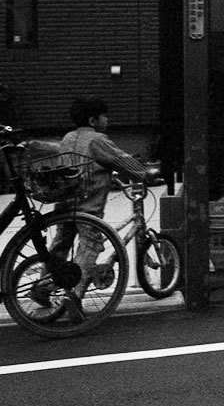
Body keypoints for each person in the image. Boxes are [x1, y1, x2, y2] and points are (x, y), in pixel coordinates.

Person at [39, 98, 156, 316]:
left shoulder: (68, 138)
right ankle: (74, 295)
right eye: (104, 116)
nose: (107, 119)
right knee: (90, 246)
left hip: (65, 204)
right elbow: (121, 160)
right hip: (88, 208)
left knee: (61, 245)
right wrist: (145, 174)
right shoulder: (97, 140)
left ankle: (43, 286)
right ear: (93, 120)